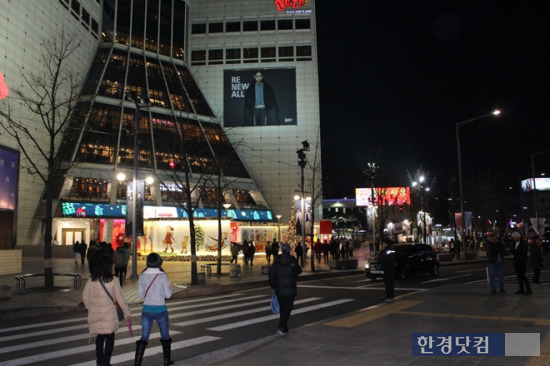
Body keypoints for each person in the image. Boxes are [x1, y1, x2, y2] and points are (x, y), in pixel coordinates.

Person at [82, 255, 131, 366]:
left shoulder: (91, 280)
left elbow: (85, 297)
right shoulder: (113, 280)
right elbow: (120, 298)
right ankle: (107, 361)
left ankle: (99, 360)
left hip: (96, 314)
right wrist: (127, 312)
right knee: (110, 337)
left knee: (100, 337)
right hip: (109, 315)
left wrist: (92, 308)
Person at [135, 253, 174, 366]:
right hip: (160, 309)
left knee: (144, 336)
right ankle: (167, 361)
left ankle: (137, 363)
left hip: (146, 310)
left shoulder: (142, 276)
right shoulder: (162, 276)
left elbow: (140, 296)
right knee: (165, 335)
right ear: (159, 262)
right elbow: (168, 295)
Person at [268, 243, 302, 336]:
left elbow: (271, 275)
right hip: (290, 289)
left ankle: (284, 327)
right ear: (289, 250)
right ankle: (281, 326)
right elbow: (298, 271)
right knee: (288, 308)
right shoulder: (292, 260)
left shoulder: (277, 261)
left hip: (279, 289)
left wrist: (274, 286)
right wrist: (295, 260)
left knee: (283, 308)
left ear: (282, 250)